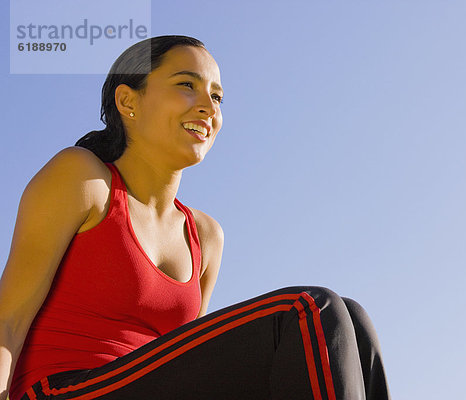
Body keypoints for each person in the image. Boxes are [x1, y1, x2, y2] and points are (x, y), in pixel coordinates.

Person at [0, 35, 389, 400]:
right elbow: (9, 319)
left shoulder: (206, 235)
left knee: (350, 323)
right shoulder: (84, 178)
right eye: (187, 85)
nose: (208, 107)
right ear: (128, 101)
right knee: (309, 311)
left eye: (217, 97)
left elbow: (190, 361)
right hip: (62, 389)